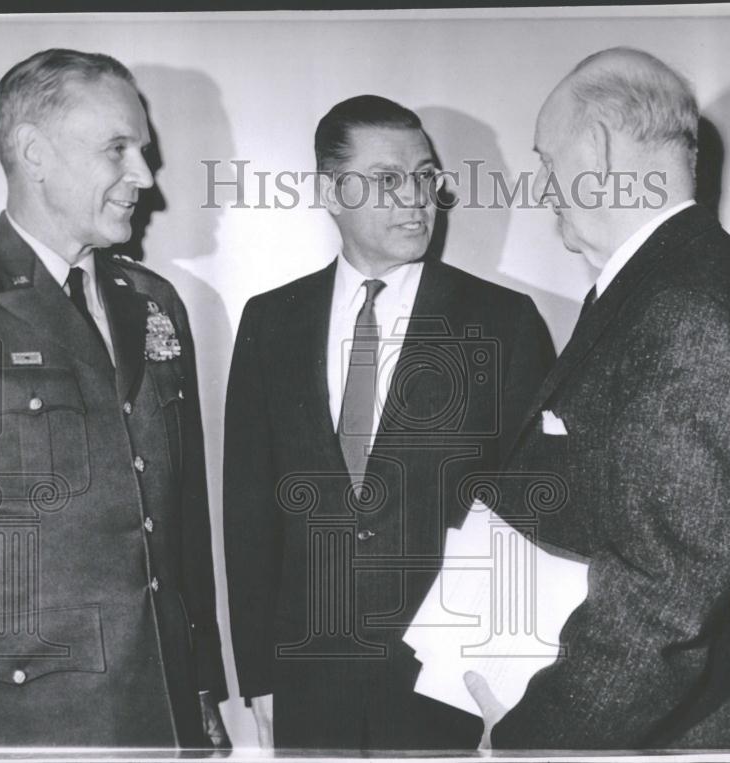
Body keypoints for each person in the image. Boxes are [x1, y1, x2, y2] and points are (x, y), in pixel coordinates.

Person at [464, 47, 730, 749]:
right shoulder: (667, 279)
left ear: (598, 146)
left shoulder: (682, 308)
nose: (543, 186)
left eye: (547, 160)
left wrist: (530, 739)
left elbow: (662, 601)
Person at [223, 94, 555, 752]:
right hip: (309, 686)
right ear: (331, 191)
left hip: (455, 693)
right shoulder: (271, 322)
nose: (417, 198)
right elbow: (249, 514)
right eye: (388, 179)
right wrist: (258, 676)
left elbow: (534, 519)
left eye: (427, 176)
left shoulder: (502, 323)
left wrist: (515, 688)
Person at [0, 48, 230, 749]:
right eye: (116, 148)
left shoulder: (154, 302)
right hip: (30, 727)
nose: (144, 177)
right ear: (34, 152)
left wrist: (201, 686)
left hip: (164, 710)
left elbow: (181, 525)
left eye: (142, 150)